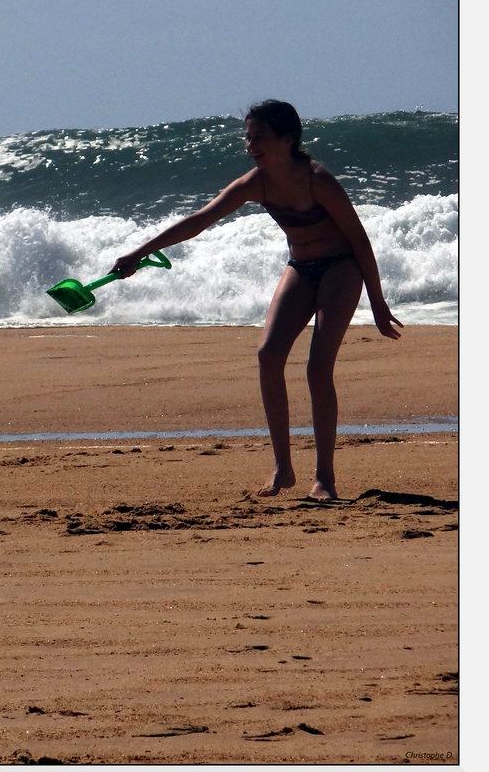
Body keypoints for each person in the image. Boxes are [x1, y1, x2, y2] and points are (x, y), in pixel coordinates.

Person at [112, 100, 401, 502]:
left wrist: (379, 303)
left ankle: (325, 479)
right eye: (248, 137)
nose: (251, 145)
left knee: (318, 368)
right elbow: (200, 219)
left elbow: (359, 241)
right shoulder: (257, 182)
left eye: (260, 137)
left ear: (287, 138)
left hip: (341, 268)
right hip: (300, 266)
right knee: (268, 355)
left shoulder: (318, 180)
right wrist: (140, 252)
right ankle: (283, 468)